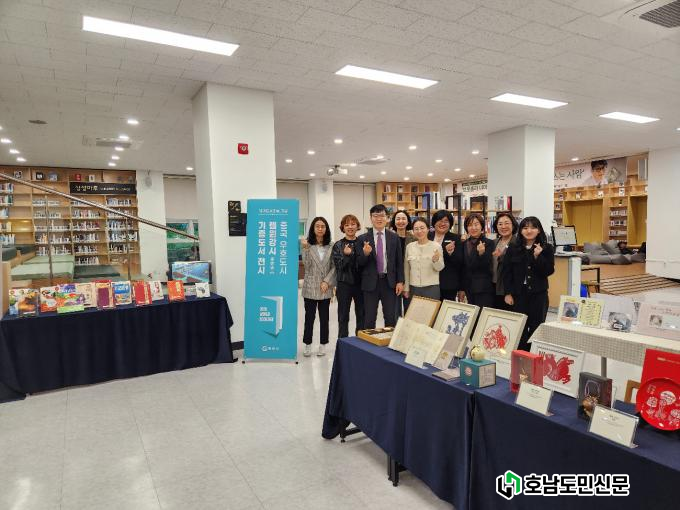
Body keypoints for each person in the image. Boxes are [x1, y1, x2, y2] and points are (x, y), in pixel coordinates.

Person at [503, 216, 555, 351]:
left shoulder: (547, 248)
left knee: (536, 327)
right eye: (525, 228)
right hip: (519, 294)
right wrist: (508, 293)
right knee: (520, 327)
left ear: (539, 230)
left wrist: (538, 257)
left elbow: (548, 271)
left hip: (539, 294)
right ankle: (521, 355)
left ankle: (533, 355)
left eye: (533, 228)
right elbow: (507, 272)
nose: (529, 231)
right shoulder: (513, 248)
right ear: (520, 231)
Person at [356, 204, 404, 328]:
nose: (379, 219)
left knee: (390, 318)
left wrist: (400, 281)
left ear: (387, 218)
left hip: (389, 283)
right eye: (375, 216)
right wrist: (365, 254)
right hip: (370, 283)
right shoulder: (362, 239)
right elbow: (359, 263)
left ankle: (388, 340)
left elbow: (399, 261)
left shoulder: (394, 237)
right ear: (371, 218)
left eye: (382, 215)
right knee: (369, 318)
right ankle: (369, 341)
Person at [301, 217, 336, 357]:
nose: (320, 229)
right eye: (317, 226)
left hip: (325, 287)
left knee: (324, 318)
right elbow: (307, 265)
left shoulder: (332, 245)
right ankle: (307, 344)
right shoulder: (307, 245)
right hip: (310, 286)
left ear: (326, 229)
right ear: (313, 228)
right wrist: (305, 249)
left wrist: (327, 281)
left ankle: (323, 344)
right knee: (309, 318)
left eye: (323, 226)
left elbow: (334, 267)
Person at [332, 214, 364, 339]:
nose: (350, 227)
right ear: (343, 228)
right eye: (347, 225)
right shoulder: (338, 245)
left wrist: (366, 254)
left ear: (357, 226)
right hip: (344, 284)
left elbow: (364, 264)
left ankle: (360, 343)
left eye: (353, 224)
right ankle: (343, 343)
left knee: (361, 315)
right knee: (343, 316)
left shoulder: (363, 243)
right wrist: (346, 255)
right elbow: (339, 267)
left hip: (361, 284)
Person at [403, 218, 444, 300]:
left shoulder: (436, 246)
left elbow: (440, 268)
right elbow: (406, 269)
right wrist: (406, 288)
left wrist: (435, 261)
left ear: (428, 229)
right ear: (413, 231)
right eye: (416, 229)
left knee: (431, 309)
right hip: (414, 287)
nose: (419, 231)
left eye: (422, 228)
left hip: (431, 287)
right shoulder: (409, 247)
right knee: (414, 309)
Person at [428, 209, 464, 302]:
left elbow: (460, 263)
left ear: (450, 224)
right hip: (428, 283)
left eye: (446, 221)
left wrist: (450, 254)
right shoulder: (427, 236)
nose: (443, 223)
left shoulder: (456, 238)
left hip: (448, 284)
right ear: (434, 222)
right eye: (440, 220)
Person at [462, 213, 495, 309]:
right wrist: (462, 288)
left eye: (476, 224)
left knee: (483, 315)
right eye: (470, 225)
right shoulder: (464, 243)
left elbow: (487, 266)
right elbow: (463, 267)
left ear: (482, 226)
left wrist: (481, 254)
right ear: (466, 227)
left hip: (483, 288)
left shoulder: (489, 243)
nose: (473, 228)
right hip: (468, 288)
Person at [390, 210, 415, 315]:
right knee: (395, 312)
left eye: (403, 218)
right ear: (394, 221)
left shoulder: (414, 238)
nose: (401, 221)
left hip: (410, 278)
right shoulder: (389, 237)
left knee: (409, 309)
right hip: (393, 278)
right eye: (398, 219)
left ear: (408, 221)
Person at [492, 213, 518, 310]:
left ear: (513, 225)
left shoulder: (518, 243)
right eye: (500, 224)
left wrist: (502, 257)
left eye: (507, 223)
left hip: (509, 289)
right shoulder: (494, 242)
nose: (503, 227)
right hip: (494, 286)